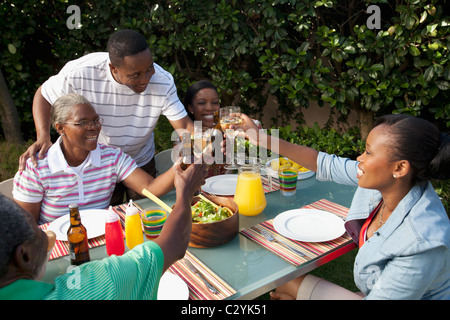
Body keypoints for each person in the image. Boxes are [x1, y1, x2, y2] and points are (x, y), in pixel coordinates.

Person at [234, 113, 450, 300]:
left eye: (368, 152)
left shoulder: (423, 242)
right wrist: (261, 139)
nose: (359, 158)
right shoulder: (388, 183)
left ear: (400, 167)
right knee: (287, 288)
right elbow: (325, 163)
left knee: (286, 284)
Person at [18, 29, 193, 205]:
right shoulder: (80, 73)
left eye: (149, 69)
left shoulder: (162, 80)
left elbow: (185, 127)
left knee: (148, 213)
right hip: (98, 165)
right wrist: (42, 137)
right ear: (113, 68)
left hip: (140, 159)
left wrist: (206, 145)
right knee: (106, 216)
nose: (145, 79)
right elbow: (44, 94)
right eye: (135, 74)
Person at [0, 158, 207, 300]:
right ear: (24, 256)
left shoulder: (111, 156)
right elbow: (174, 243)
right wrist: (186, 192)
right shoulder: (104, 283)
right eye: (38, 232)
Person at [13, 94, 180, 225]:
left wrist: (184, 162)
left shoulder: (112, 157)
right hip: (56, 246)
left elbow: (150, 188)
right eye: (82, 122)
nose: (93, 127)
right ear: (60, 128)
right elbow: (26, 226)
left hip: (102, 238)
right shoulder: (36, 167)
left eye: (95, 120)